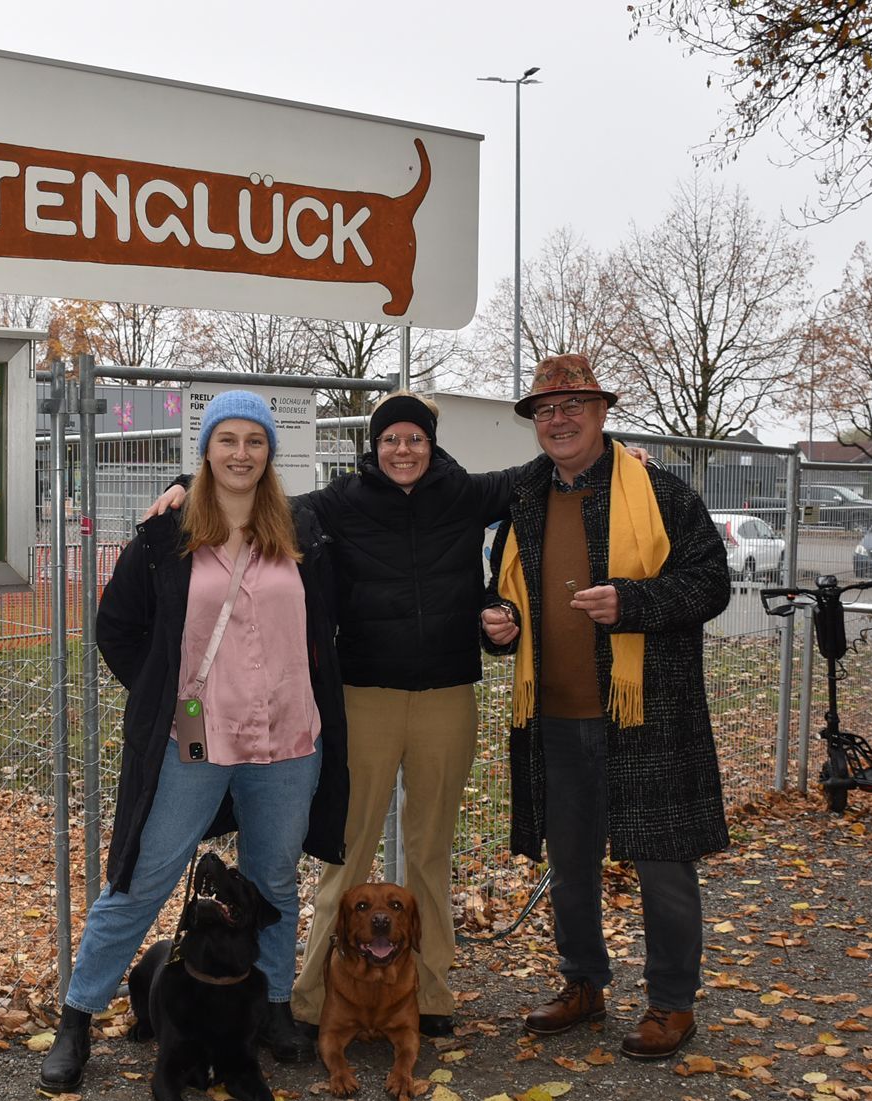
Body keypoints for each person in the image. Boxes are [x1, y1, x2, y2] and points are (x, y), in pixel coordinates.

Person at [148, 393, 653, 1043]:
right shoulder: (342, 502)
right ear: (374, 446)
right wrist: (189, 484)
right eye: (390, 440)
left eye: (414, 438)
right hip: (365, 698)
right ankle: (311, 997)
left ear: (431, 444)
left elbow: (549, 470)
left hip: (446, 698)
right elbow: (263, 501)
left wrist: (619, 462)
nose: (402, 450)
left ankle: (432, 992)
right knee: (346, 853)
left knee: (429, 853)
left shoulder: (464, 494)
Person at [38, 389, 348, 1092]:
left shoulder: (304, 533)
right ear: (205, 450)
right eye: (227, 440)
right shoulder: (165, 537)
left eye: (255, 441)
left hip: (289, 739)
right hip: (196, 740)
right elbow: (115, 628)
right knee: (143, 879)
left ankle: (269, 1008)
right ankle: (78, 1016)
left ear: (271, 453)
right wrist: (159, 697)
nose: (241, 454)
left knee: (271, 880)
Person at [479, 353, 730, 1060]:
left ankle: (671, 1004)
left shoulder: (660, 492)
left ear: (601, 413)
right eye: (546, 411)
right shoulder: (524, 497)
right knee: (571, 861)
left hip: (646, 713)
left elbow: (712, 585)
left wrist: (634, 602)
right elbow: (504, 593)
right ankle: (583, 983)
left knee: (663, 863)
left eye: (572, 408)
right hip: (553, 714)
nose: (558, 421)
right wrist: (496, 623)